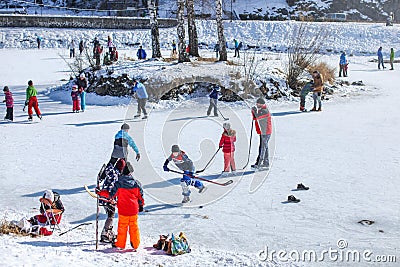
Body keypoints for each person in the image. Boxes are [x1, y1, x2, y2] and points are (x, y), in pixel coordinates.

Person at [110, 162, 144, 250]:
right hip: (133, 209)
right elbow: (140, 196)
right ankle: (135, 244)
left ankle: (120, 244)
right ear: (130, 173)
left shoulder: (118, 184)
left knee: (122, 227)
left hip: (123, 210)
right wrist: (141, 205)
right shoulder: (136, 184)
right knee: (134, 227)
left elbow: (111, 195)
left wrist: (100, 192)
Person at [97, 159, 126, 243]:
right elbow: (112, 187)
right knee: (111, 215)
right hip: (108, 199)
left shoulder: (111, 171)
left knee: (110, 214)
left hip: (103, 197)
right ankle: (105, 232)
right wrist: (112, 198)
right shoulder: (115, 175)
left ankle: (108, 230)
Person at [251, 97, 272, 170]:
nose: (256, 105)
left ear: (261, 104)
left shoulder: (264, 111)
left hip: (265, 132)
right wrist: (253, 112)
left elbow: (258, 118)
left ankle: (259, 163)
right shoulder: (261, 110)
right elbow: (255, 118)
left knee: (262, 147)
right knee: (264, 147)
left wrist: (254, 112)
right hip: (263, 131)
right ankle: (266, 163)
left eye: (257, 103)